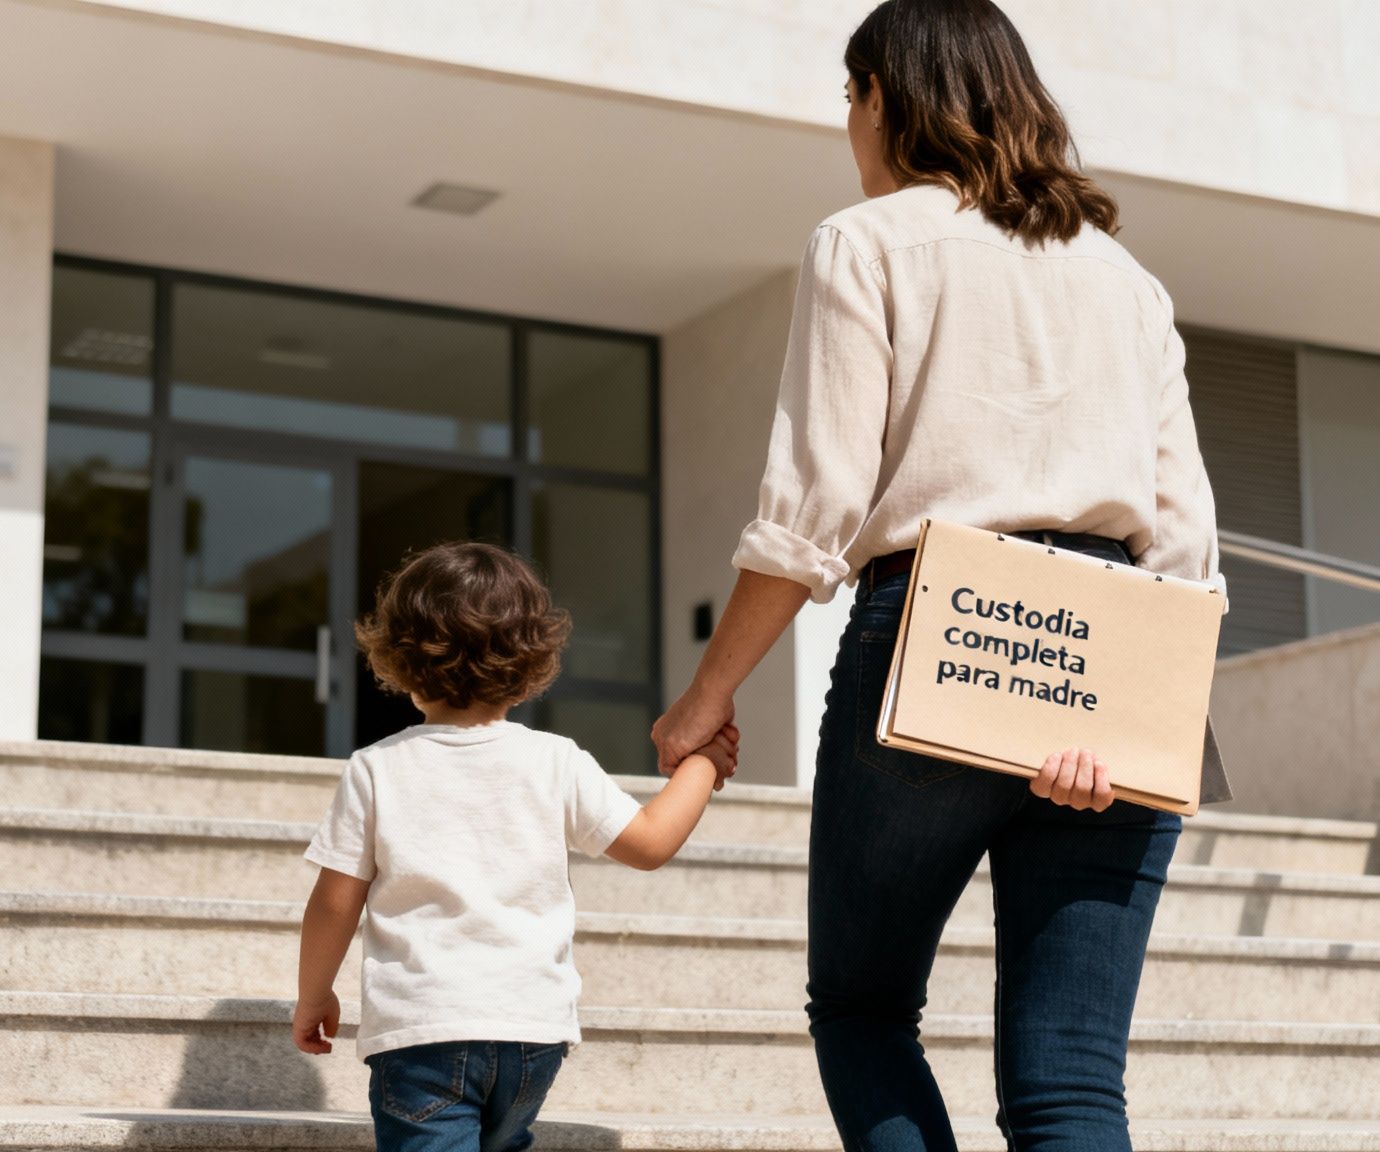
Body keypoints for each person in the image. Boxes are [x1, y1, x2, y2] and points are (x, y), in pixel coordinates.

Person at [649, 2, 1228, 1150]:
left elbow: (812, 503)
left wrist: (705, 696)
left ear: (883, 98)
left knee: (862, 1011)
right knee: (1068, 1082)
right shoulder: (1128, 282)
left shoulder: (866, 243)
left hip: (940, 631)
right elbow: (1184, 540)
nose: (847, 131)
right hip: (1114, 644)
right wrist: (1132, 717)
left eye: (846, 101)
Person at [294, 541, 738, 1152]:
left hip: (425, 1030)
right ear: (531, 657)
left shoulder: (377, 768)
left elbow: (335, 901)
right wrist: (705, 765)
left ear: (398, 656)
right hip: (532, 1031)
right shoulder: (553, 759)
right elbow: (651, 843)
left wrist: (314, 994)